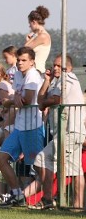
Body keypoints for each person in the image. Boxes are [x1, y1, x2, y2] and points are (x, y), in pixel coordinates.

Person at [30, 55, 85, 210]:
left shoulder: (68, 78)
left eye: (59, 66)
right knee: (75, 170)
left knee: (41, 159)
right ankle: (77, 206)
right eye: (54, 65)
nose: (54, 68)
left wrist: (45, 102)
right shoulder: (56, 81)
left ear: (68, 68)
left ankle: (47, 199)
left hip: (70, 131)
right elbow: (41, 102)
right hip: (66, 132)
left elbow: (56, 100)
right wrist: (46, 81)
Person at [0, 47, 45, 207]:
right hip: (19, 127)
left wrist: (14, 99)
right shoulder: (17, 74)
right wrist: (14, 99)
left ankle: (50, 198)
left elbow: (27, 100)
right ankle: (17, 194)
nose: (20, 63)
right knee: (0, 159)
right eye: (18, 60)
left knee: (39, 168)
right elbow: (13, 100)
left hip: (33, 127)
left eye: (24, 60)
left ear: (32, 62)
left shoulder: (33, 75)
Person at [23, 5, 51, 73]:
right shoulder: (37, 35)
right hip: (32, 70)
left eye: (30, 24)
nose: (29, 26)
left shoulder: (43, 36)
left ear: (34, 22)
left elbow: (25, 49)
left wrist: (29, 39)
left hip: (38, 71)